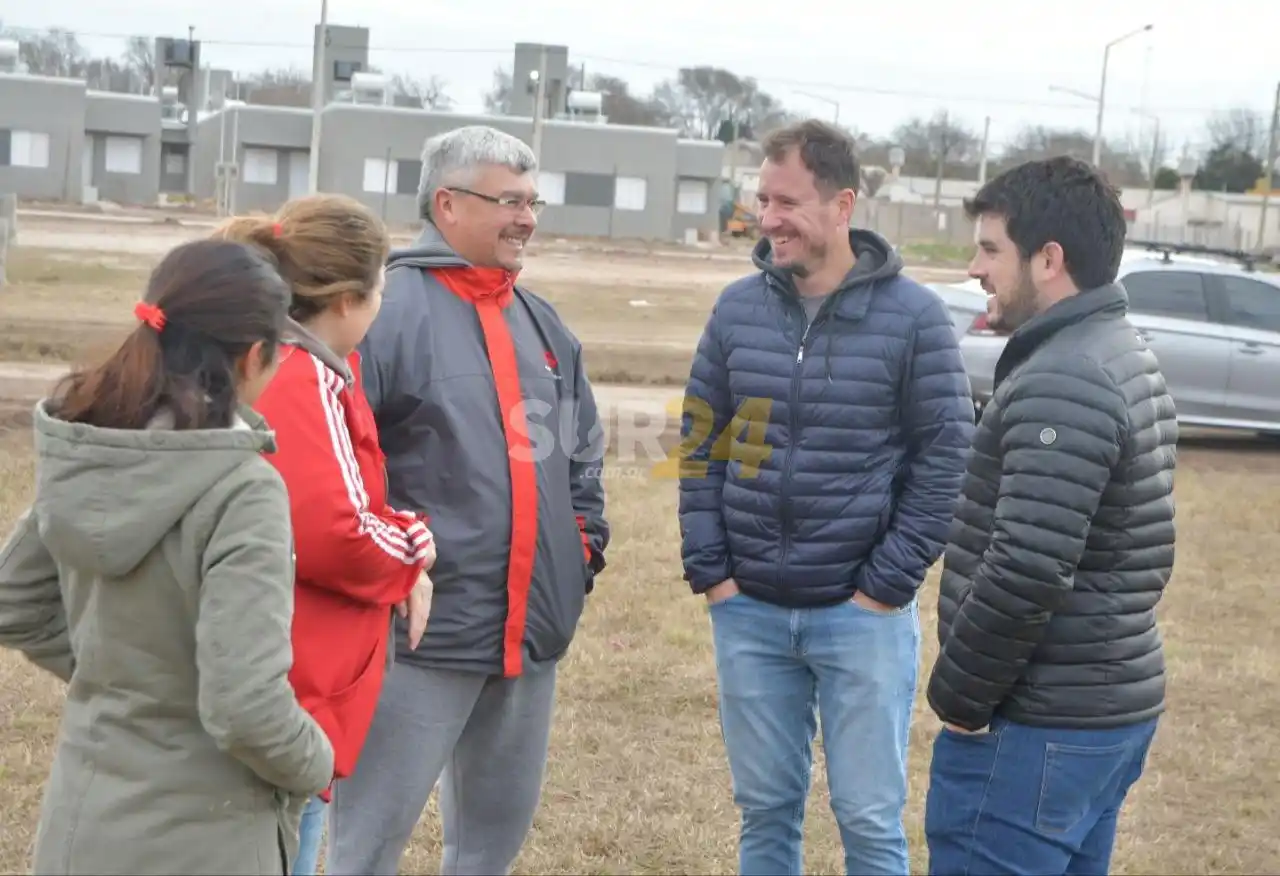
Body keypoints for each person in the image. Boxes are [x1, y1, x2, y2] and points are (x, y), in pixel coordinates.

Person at [678, 118, 974, 875]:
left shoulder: (914, 319)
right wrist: (713, 571)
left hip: (861, 619)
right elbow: (703, 440)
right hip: (748, 614)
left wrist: (884, 586)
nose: (768, 217)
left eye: (788, 202)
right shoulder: (738, 309)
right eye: (762, 198)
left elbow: (945, 460)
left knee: (869, 819)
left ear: (843, 206)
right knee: (765, 813)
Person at [324, 124, 610, 876]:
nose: (529, 218)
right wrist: (388, 580)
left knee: (490, 848)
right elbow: (340, 465)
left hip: (529, 639)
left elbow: (580, 455)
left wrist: (578, 553)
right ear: (446, 204)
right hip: (418, 641)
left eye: (533, 201)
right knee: (367, 844)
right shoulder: (379, 313)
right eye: (509, 201)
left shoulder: (544, 325)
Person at [0, 238, 335, 875]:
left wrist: (127, 676)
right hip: (206, 838)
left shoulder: (93, 444)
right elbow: (245, 709)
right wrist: (317, 761)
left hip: (82, 827)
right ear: (255, 358)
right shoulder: (242, 489)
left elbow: (12, 600)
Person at [923, 156, 1178, 875]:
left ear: (1050, 259)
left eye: (990, 249)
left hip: (1038, 725)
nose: (974, 267)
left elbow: (1029, 566)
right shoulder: (1123, 351)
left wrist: (960, 699)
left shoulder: (1066, 374)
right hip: (1102, 714)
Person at [212, 195, 438, 876]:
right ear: (346, 299)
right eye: (379, 291)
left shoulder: (279, 363)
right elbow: (331, 528)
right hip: (295, 682)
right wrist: (414, 549)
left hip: (281, 668)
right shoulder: (301, 374)